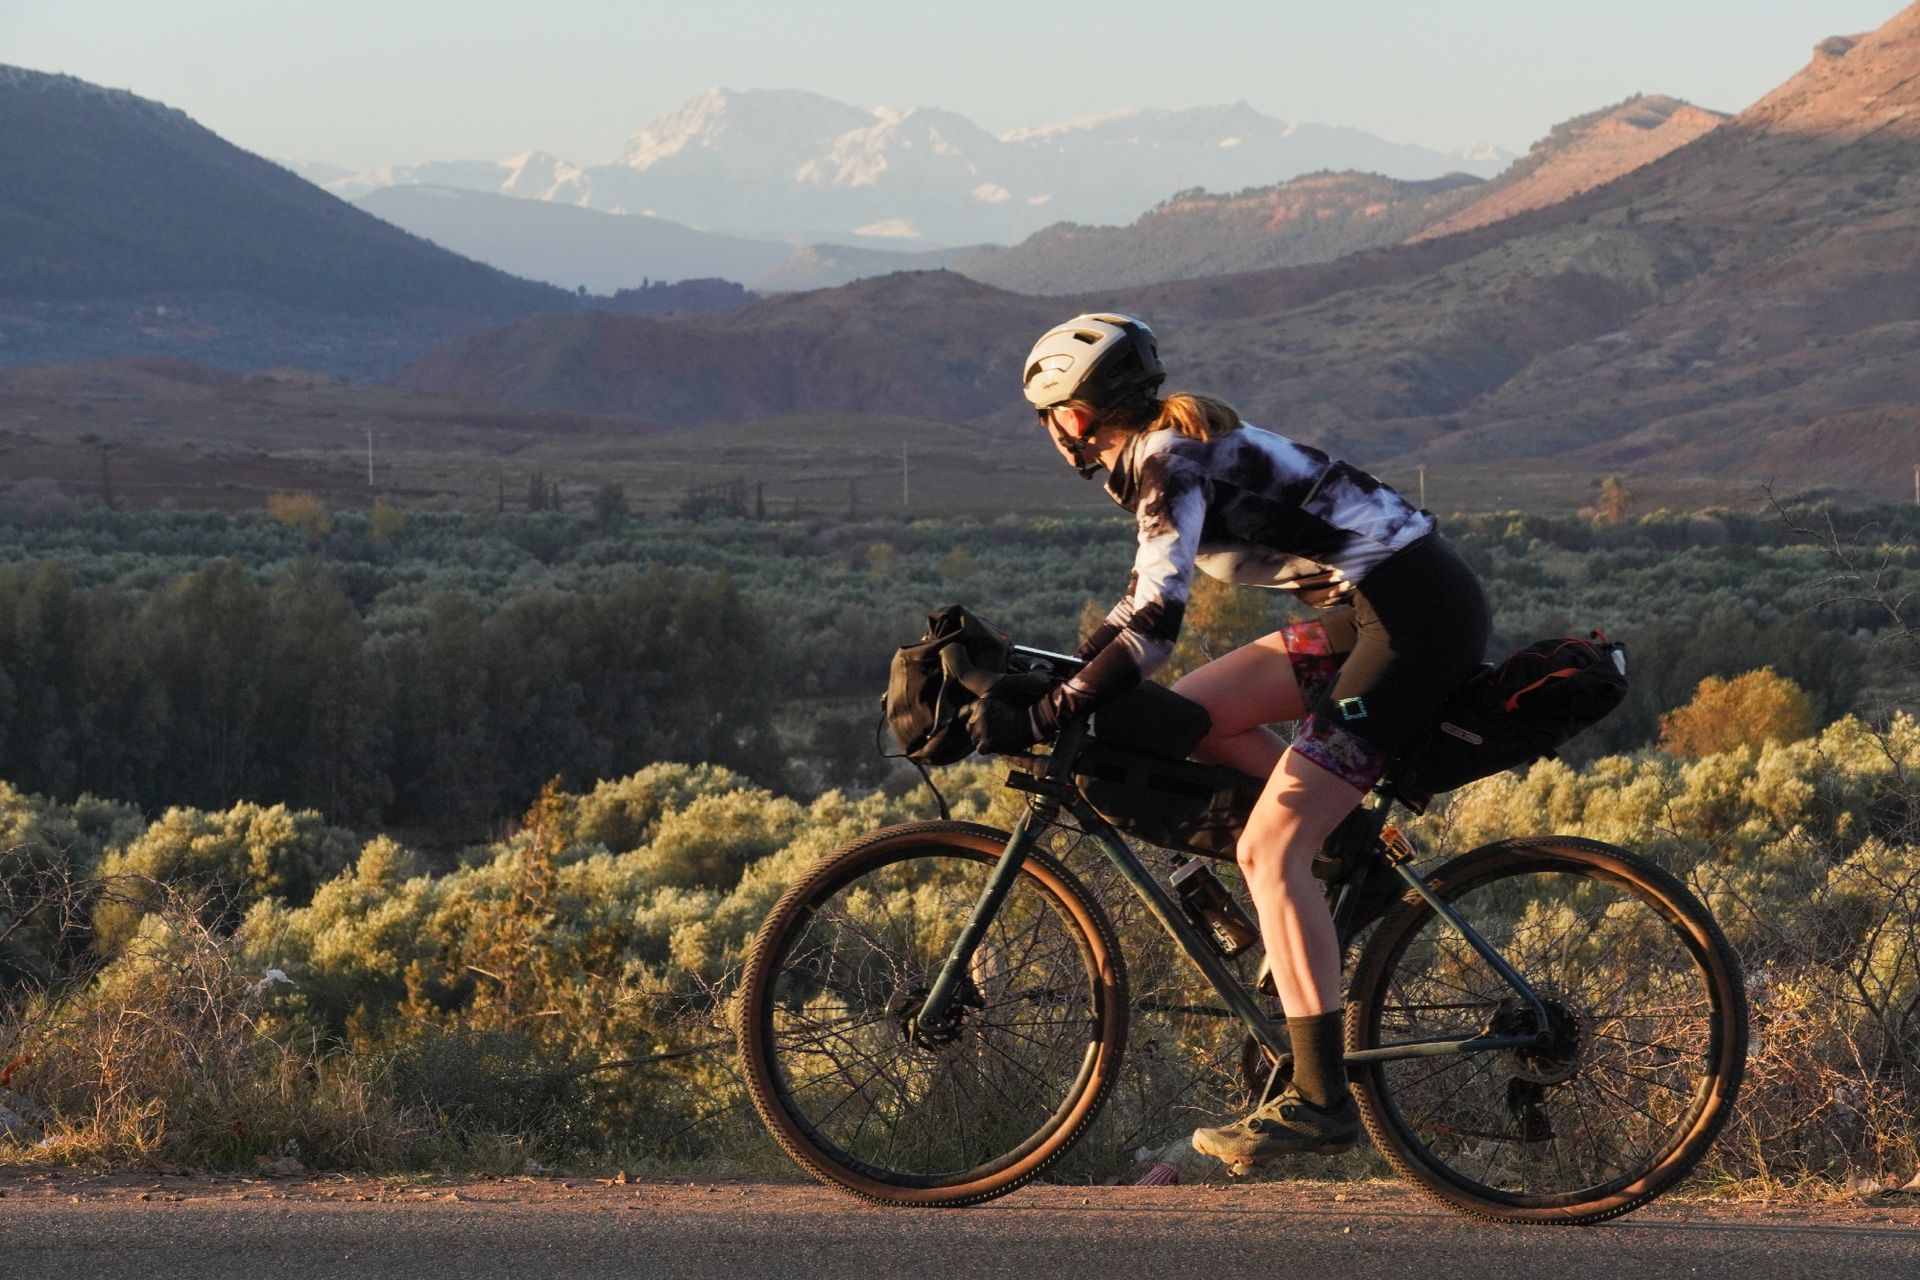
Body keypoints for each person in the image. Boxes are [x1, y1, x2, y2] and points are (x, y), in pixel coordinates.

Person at [966, 312, 1491, 1169]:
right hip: (1374, 612)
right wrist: (1063, 678)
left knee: (1268, 852)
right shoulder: (1164, 452)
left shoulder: (1168, 461)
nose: (1050, 432)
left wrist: (1051, 711)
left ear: (1074, 415)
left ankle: (1321, 1101)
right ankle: (1353, 852)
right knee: (1192, 720)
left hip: (1411, 622)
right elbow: (1139, 610)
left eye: (1046, 416)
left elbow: (1156, 626)